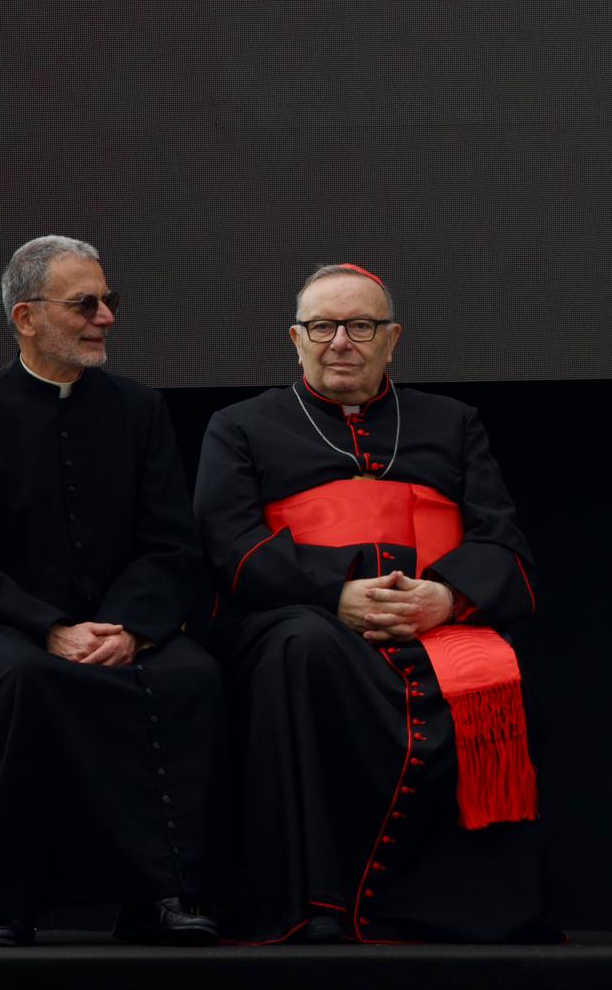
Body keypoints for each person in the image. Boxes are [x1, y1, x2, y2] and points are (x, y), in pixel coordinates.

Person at [193, 262, 547, 944]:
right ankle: (316, 900)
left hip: (434, 622)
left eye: (361, 326)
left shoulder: (452, 423)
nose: (341, 342)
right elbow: (228, 546)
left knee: (501, 668)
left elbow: (502, 539)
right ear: (296, 339)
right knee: (306, 646)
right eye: (323, 327)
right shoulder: (240, 428)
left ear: (393, 339)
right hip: (296, 619)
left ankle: (462, 907)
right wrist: (335, 595)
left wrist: (447, 598)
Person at [0, 236, 225, 946]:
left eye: (110, 300)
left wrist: (128, 629)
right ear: (26, 317)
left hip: (121, 630)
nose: (105, 317)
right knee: (23, 681)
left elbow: (170, 544)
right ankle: (3, 901)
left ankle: (165, 894)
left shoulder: (138, 411)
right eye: (85, 303)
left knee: (192, 678)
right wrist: (49, 626)